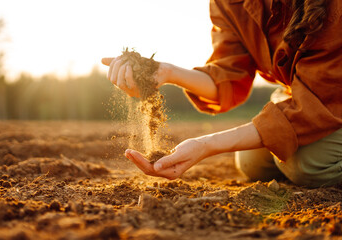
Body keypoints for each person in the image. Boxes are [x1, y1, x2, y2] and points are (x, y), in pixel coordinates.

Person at [102, 0, 342, 188]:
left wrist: (206, 145)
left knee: (307, 165)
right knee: (252, 162)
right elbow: (229, 74)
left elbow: (320, 98)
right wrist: (165, 72)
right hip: (303, 92)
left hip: (330, 97)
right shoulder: (229, 3)